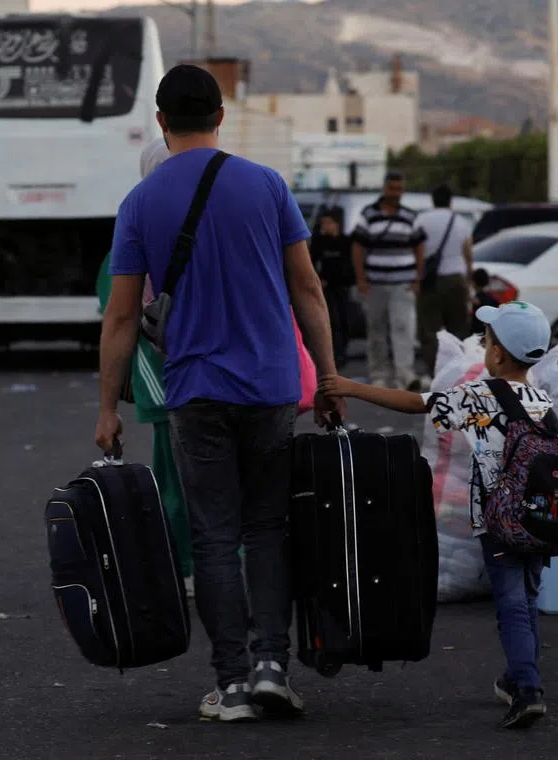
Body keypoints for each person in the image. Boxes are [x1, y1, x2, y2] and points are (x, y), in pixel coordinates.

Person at [95, 64, 343, 723]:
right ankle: (271, 668)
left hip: (195, 391)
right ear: (221, 117)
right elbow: (308, 289)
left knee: (213, 535)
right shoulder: (266, 185)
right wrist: (330, 376)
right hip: (269, 386)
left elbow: (121, 317)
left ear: (160, 122)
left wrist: (106, 407)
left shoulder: (141, 202)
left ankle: (231, 685)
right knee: (268, 527)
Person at [319, 301, 558, 730]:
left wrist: (349, 386)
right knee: (526, 599)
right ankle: (517, 677)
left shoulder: (478, 396)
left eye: (487, 341)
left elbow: (415, 402)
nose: (484, 346)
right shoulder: (542, 401)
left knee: (512, 605)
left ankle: (527, 689)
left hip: (501, 523)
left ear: (498, 355)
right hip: (541, 520)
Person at [95, 137, 194, 597]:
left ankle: (185, 567)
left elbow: (115, 314)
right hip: (202, 377)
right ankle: (197, 565)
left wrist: (108, 404)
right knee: (191, 479)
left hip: (162, 381)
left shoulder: (133, 229)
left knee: (176, 480)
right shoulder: (203, 225)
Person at [351, 172, 427, 390]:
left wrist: (418, 277)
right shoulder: (369, 214)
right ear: (384, 189)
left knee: (403, 329)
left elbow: (419, 246)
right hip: (375, 283)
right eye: (392, 188)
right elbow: (357, 247)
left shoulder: (410, 216)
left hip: (403, 283)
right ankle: (379, 375)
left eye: (399, 189)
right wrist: (361, 279)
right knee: (376, 330)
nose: (396, 193)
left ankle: (405, 374)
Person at [416, 184, 473, 384]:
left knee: (430, 330)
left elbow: (417, 250)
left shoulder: (422, 219)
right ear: (451, 200)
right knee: (458, 328)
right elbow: (467, 253)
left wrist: (417, 278)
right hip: (455, 279)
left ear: (433, 200)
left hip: (430, 280)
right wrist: (469, 281)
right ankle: (460, 372)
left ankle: (434, 373)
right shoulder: (460, 221)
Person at [310, 208, 354, 368]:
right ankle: (334, 353)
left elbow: (351, 265)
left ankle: (343, 352)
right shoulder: (319, 242)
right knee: (330, 321)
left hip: (342, 286)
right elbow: (311, 263)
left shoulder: (345, 242)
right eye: (324, 223)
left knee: (343, 319)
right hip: (326, 287)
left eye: (329, 223)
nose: (326, 226)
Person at [471, 268, 499, 335]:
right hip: (491, 332)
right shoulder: (493, 298)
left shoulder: (476, 299)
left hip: (478, 332)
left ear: (474, 282)